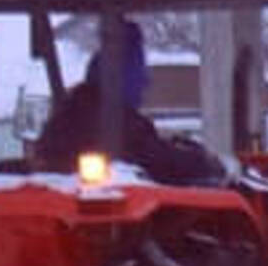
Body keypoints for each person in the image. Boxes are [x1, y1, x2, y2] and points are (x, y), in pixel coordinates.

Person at [34, 20, 225, 186]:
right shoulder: (117, 123)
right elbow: (160, 160)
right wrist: (206, 164)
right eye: (138, 72)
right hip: (113, 214)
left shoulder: (65, 117)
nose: (145, 82)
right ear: (119, 76)